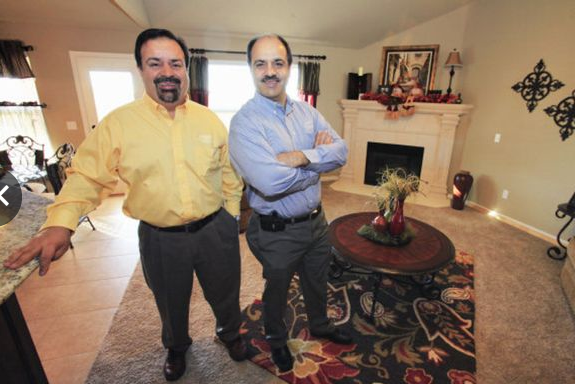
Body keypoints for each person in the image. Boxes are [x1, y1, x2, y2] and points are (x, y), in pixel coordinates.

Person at [4, 28, 246, 382]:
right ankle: (177, 347)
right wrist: (61, 223)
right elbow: (87, 177)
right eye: (155, 63)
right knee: (170, 301)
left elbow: (228, 172)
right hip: (161, 238)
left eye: (175, 63)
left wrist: (232, 212)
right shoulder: (118, 124)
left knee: (226, 291)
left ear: (186, 69)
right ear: (141, 69)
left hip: (215, 230)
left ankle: (230, 334)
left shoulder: (208, 119)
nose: (167, 71)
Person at [228, 34, 351, 373]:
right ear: (251, 69)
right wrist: (318, 162)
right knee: (277, 291)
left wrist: (298, 157)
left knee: (316, 279)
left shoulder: (308, 113)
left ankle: (321, 324)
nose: (270, 71)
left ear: (289, 68)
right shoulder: (244, 123)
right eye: (261, 63)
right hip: (277, 230)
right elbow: (268, 182)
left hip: (316, 222)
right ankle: (277, 339)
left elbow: (341, 152)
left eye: (278, 63)